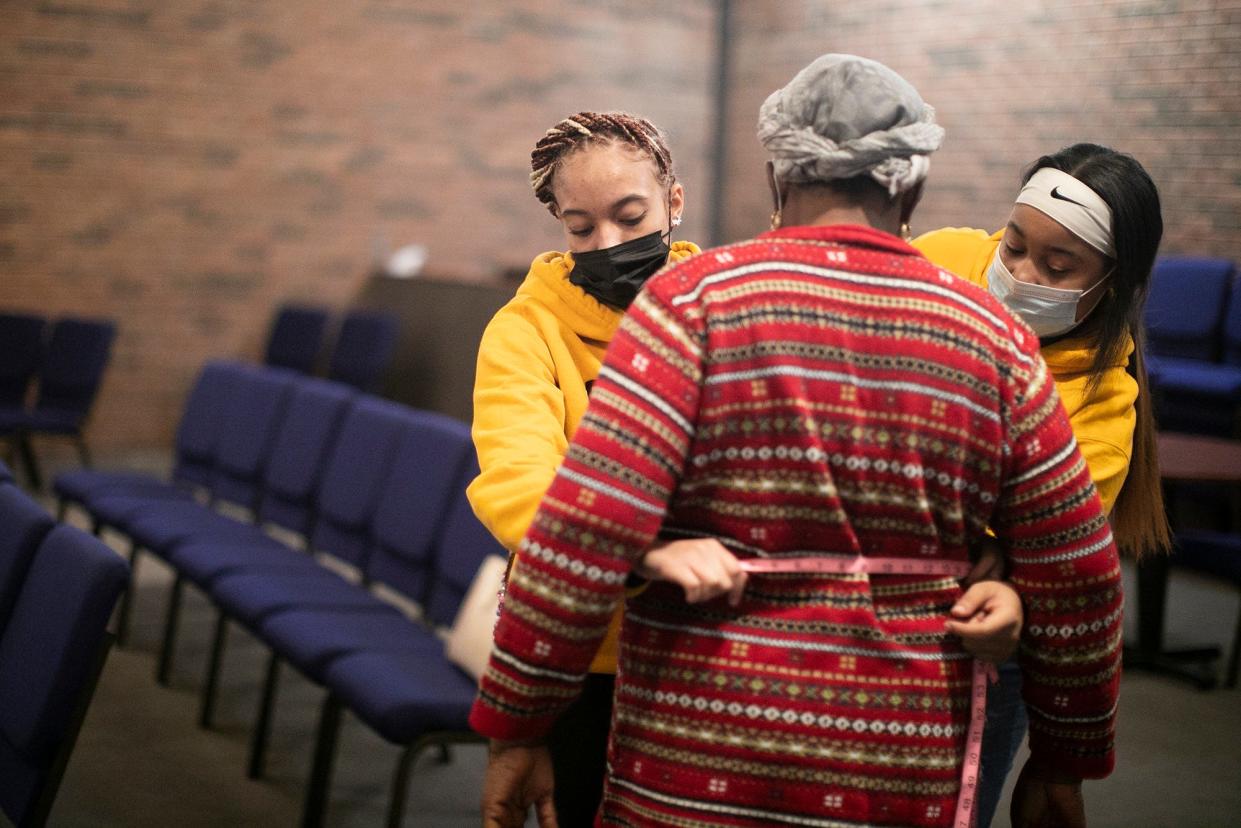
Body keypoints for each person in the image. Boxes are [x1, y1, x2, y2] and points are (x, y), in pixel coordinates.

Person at [470, 53, 1123, 828]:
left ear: (779, 179)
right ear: (910, 187)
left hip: (694, 751)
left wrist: (517, 722)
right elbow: (1076, 571)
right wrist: (1065, 757)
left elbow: (580, 532)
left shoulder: (690, 306)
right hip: (897, 758)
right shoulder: (993, 338)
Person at [914, 144, 1170, 826]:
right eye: (1016, 247)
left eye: (1057, 268)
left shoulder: (1103, 405)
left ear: (1110, 286)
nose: (1020, 273)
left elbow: (1027, 551)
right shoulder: (941, 260)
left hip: (985, 654)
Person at [466, 111, 703, 825]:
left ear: (673, 202)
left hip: (706, 650)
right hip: (583, 655)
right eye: (580, 228)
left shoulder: (722, 310)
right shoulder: (525, 330)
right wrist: (641, 551)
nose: (609, 244)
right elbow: (518, 486)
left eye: (631, 217)